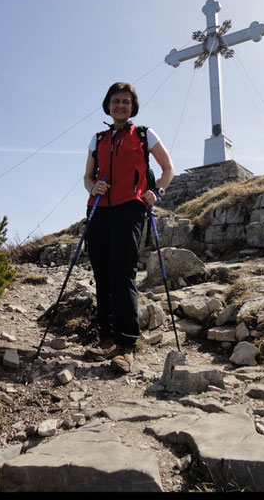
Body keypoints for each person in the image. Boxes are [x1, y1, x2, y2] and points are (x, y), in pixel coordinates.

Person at [83, 82, 174, 373]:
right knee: (101, 272)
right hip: (98, 209)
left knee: (122, 273)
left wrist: (156, 192)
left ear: (132, 106)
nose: (120, 105)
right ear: (107, 105)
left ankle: (127, 344)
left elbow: (168, 169)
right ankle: (106, 338)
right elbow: (87, 177)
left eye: (125, 101)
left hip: (130, 208)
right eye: (115, 101)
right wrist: (93, 185)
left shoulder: (145, 134)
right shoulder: (97, 139)